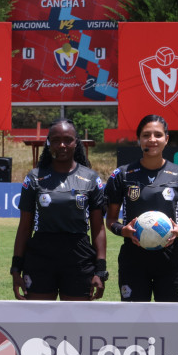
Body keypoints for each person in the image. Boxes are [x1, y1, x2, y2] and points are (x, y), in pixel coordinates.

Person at [11, 118, 107, 300]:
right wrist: (16, 268)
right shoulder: (34, 177)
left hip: (79, 257)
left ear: (76, 142)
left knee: (75, 322)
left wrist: (100, 270)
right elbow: (24, 227)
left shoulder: (91, 178)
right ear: (48, 143)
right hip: (41, 255)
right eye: (55, 140)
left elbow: (98, 228)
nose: (61, 145)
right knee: (38, 320)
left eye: (68, 140)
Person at [104, 114, 178, 302]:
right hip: (133, 258)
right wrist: (123, 230)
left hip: (170, 259)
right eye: (146, 135)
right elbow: (111, 220)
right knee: (134, 318)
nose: (152, 140)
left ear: (166, 139)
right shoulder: (121, 175)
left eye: (158, 135)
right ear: (139, 139)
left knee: (170, 318)